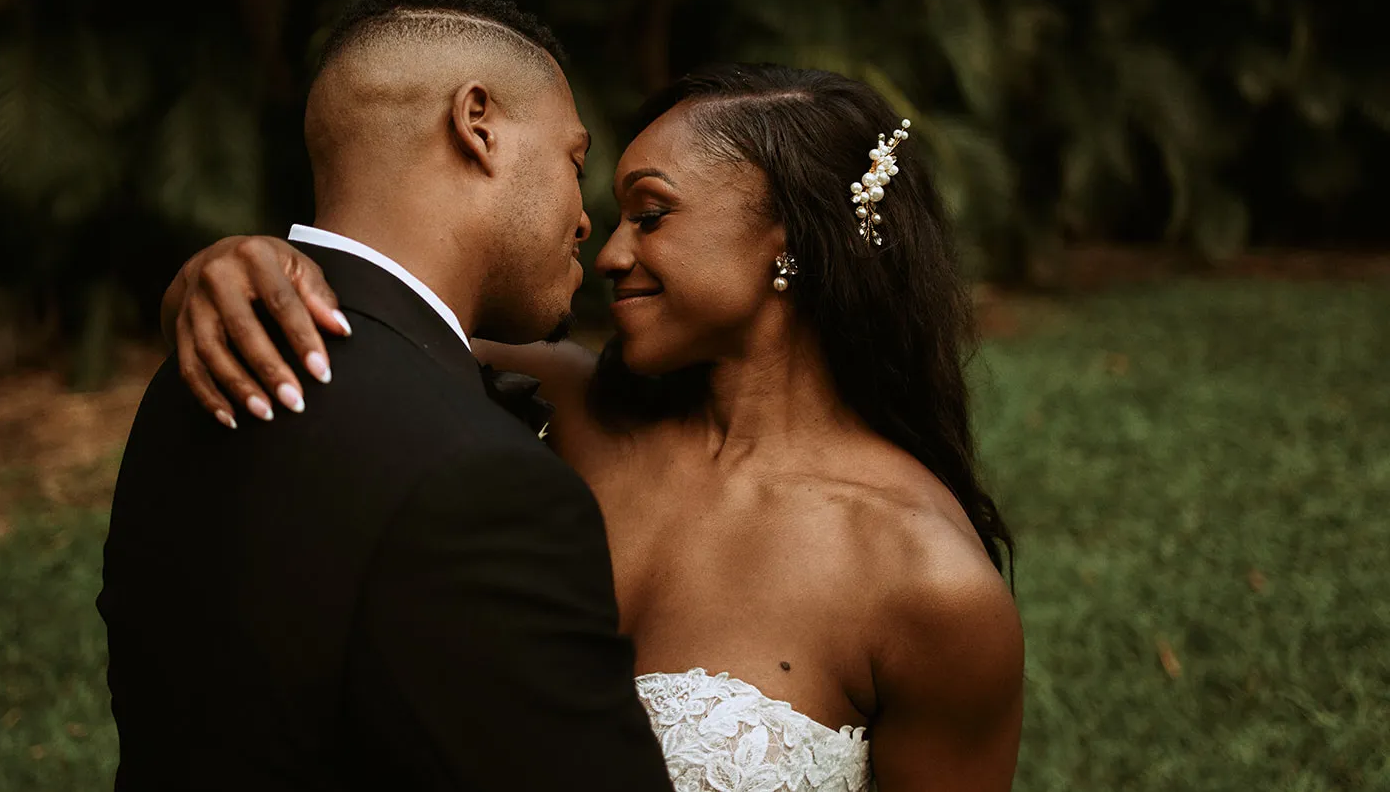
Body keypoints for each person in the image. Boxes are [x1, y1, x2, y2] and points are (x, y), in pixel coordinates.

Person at [167, 62, 1026, 791]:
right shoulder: (564, 405)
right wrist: (215, 274)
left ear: (789, 239)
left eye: (650, 214)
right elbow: (367, 325)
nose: (609, 253)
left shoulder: (929, 582)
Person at [97, 0, 674, 791]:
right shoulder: (481, 478)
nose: (586, 220)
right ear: (479, 127)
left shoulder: (193, 371)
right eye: (574, 160)